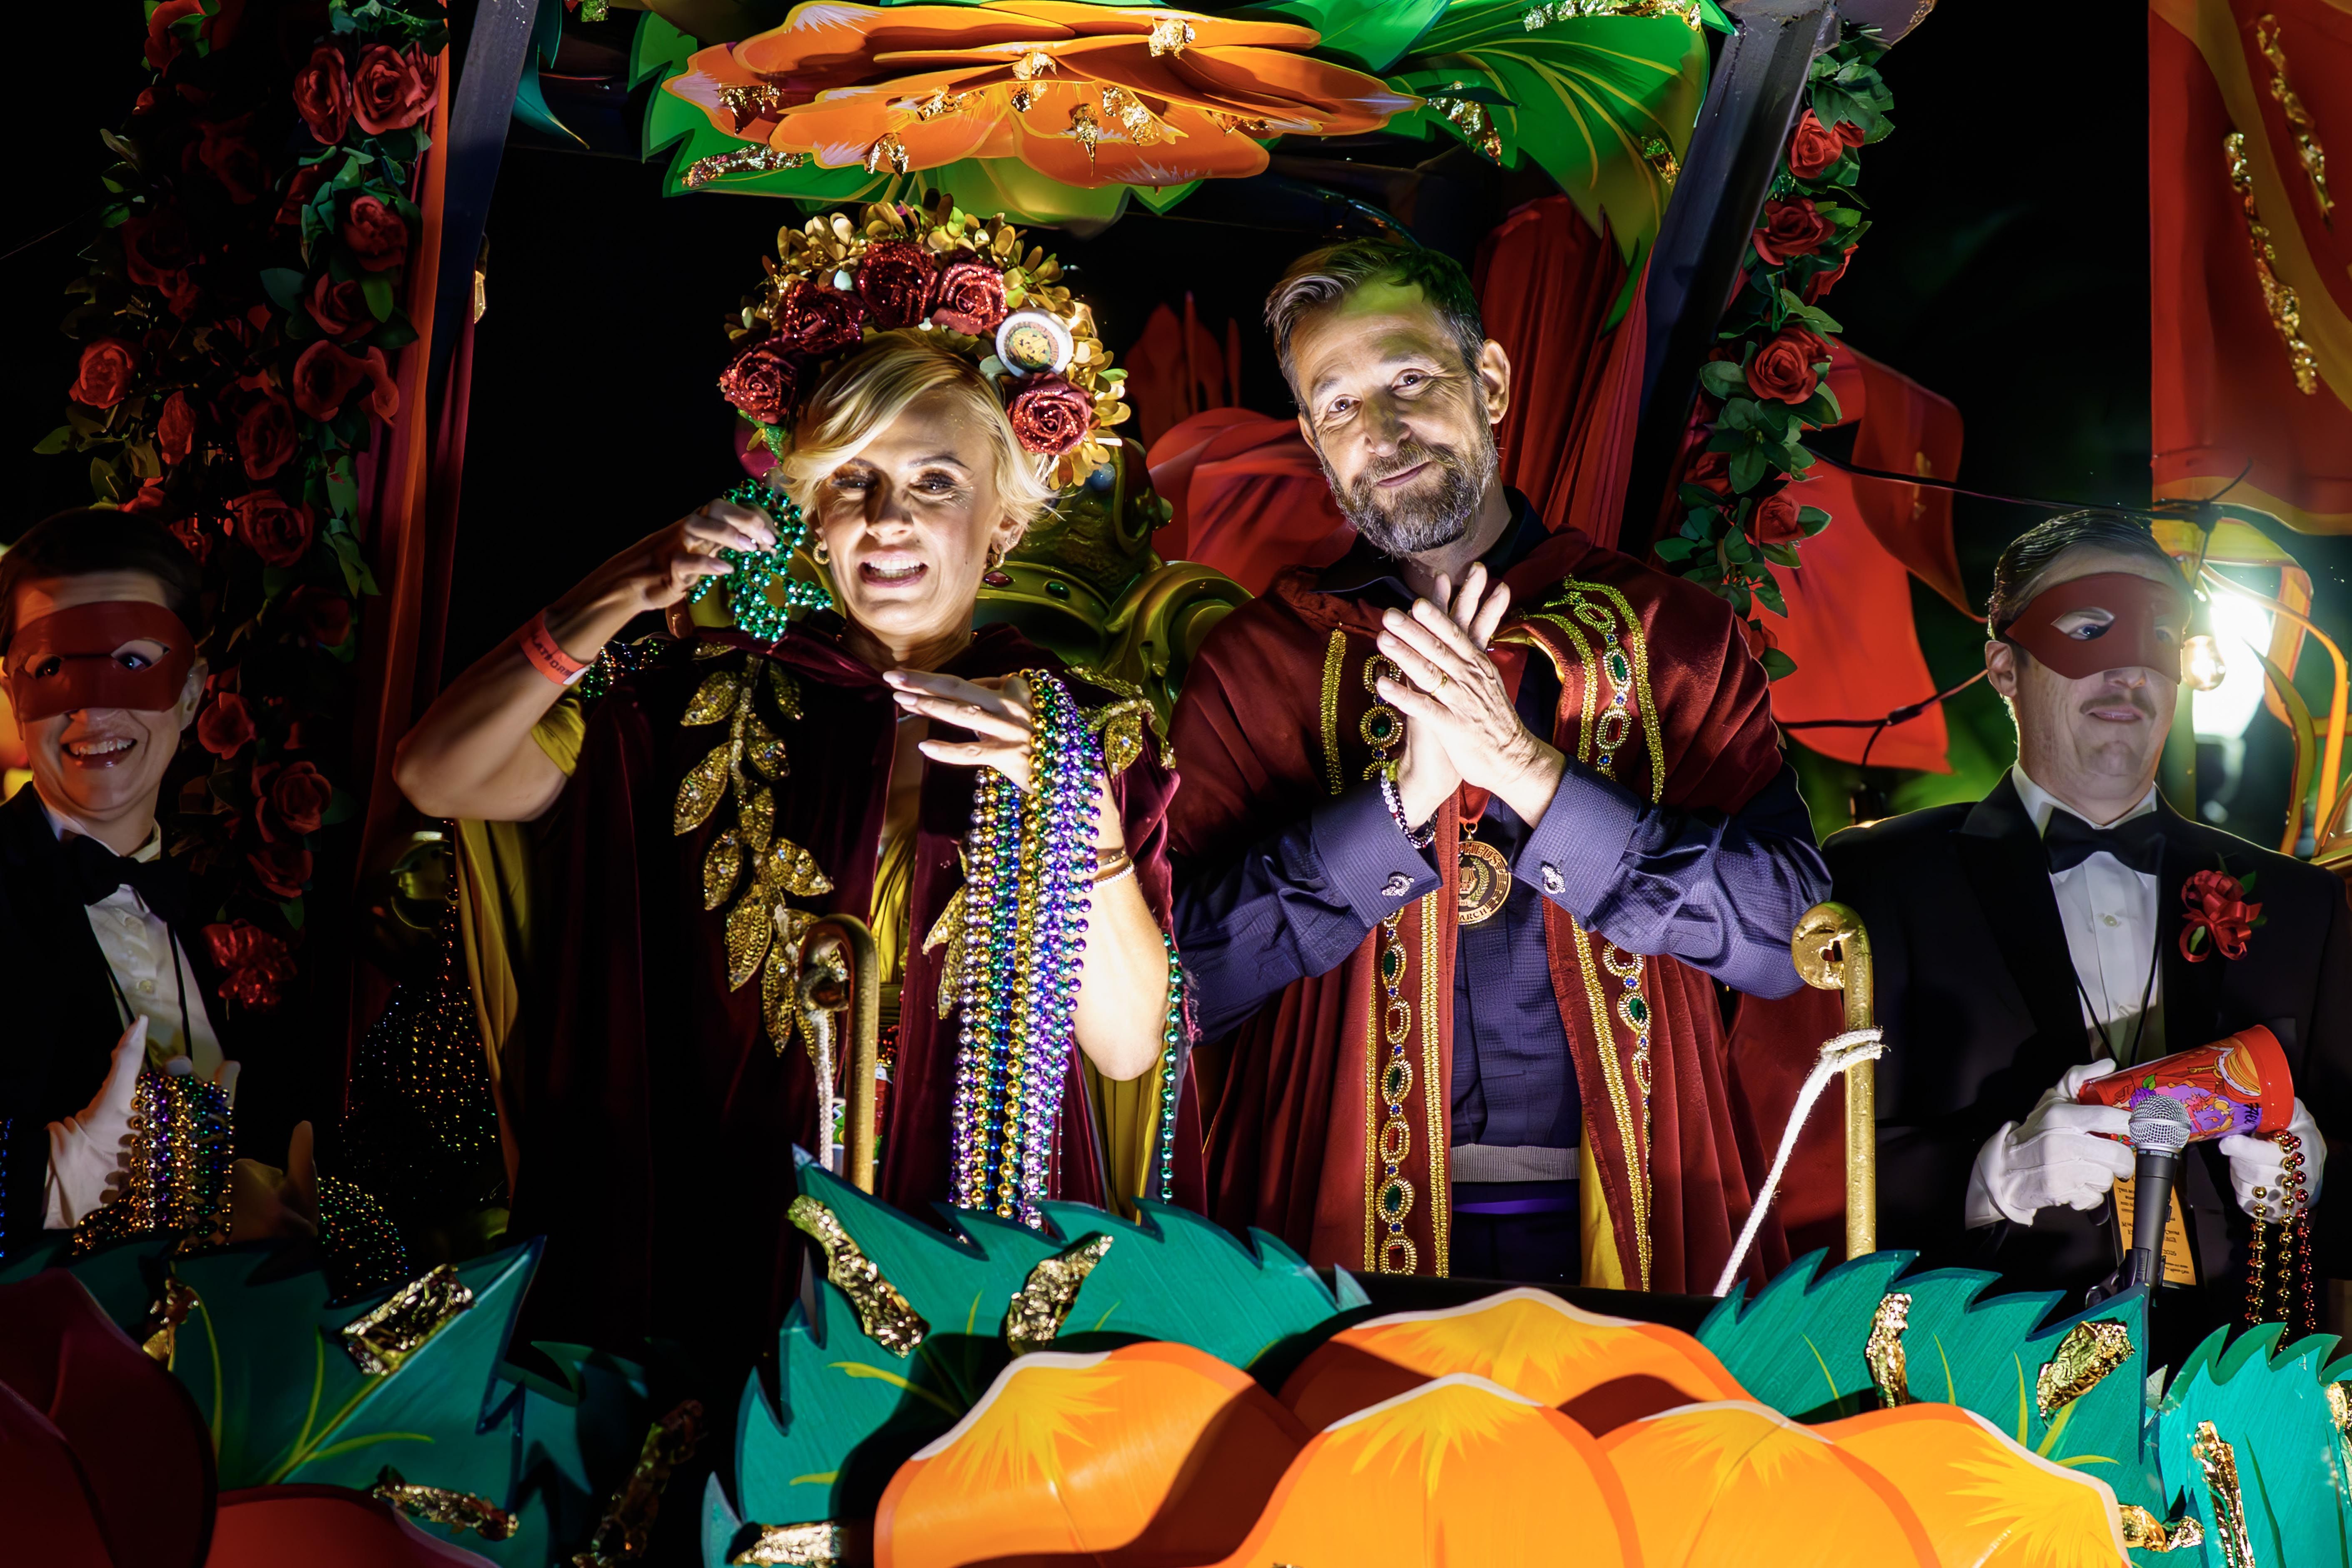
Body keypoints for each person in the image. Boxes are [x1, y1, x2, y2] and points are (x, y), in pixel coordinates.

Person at [394, 218, 1190, 1368]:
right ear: (810, 513)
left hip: (969, 1261)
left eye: (934, 480)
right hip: (725, 1252)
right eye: (853, 482)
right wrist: (612, 593)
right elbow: (438, 770)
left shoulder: (1082, 728)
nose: (888, 518)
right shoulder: (703, 697)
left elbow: (1122, 1046)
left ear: (1004, 520)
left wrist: (1074, 803)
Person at [1166, 239, 1830, 1291]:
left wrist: (1527, 772)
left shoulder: (1674, 638)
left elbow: (1791, 942)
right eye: (1337, 407)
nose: (1379, 433)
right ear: (1310, 441)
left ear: (1491, 381)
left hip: (1640, 1231)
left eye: (1410, 380)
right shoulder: (1261, 663)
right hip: (1326, 1235)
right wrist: (1399, 808)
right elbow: (1177, 984)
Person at [1815, 509, 2349, 1341]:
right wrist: (1990, 1177)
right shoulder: (1880, 881)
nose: (2127, 669)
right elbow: (1808, 1171)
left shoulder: (2296, 906)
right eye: (2089, 628)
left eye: (2159, 635)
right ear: (2003, 665)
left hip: (2226, 1387)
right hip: (1975, 1379)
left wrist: (2310, 1175)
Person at [0, 509, 300, 1252]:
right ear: (13, 694)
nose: (93, 704)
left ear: (193, 692)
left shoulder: (230, 907)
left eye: (133, 661)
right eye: (51, 668)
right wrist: (50, 1180)